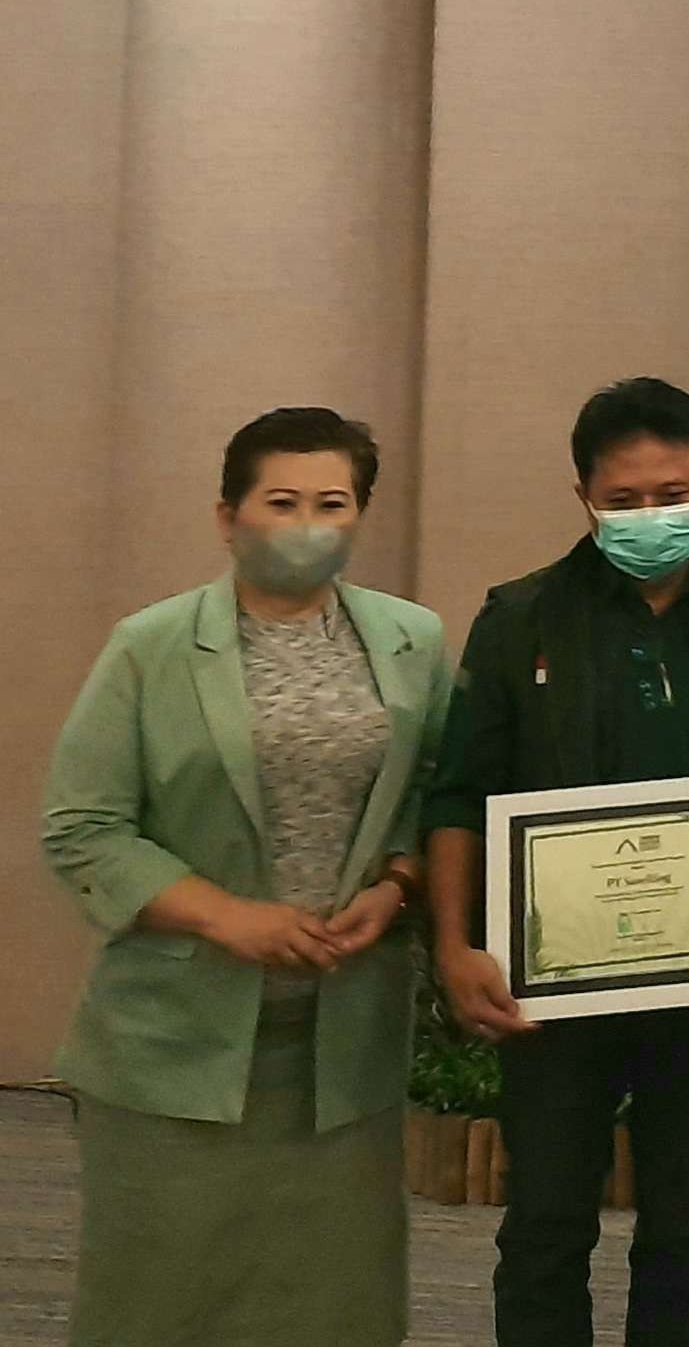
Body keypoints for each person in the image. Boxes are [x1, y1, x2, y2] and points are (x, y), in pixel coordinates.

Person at [425, 376, 689, 1347]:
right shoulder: (521, 618)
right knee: (546, 1228)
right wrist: (451, 943)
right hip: (555, 982)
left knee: (687, 1233)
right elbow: (458, 793)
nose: (651, 516)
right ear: (584, 499)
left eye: (671, 495)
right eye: (624, 500)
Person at [41, 408, 450, 1347]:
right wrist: (230, 918)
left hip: (340, 1048)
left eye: (332, 502)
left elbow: (438, 794)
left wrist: (396, 886)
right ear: (228, 516)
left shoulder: (413, 640)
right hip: (175, 1041)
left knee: (334, 1307)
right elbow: (84, 827)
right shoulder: (149, 645)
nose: (308, 523)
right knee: (159, 1305)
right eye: (281, 501)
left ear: (360, 515)